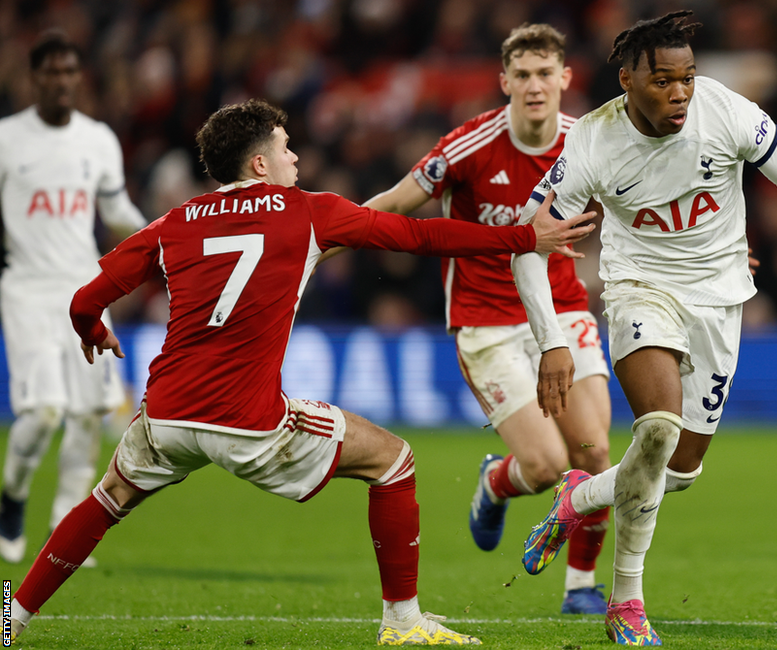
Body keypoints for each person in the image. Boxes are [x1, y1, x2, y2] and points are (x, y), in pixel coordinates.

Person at [7, 98, 594, 646]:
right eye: (286, 148)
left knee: (107, 498)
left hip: (165, 413)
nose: (295, 157)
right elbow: (420, 235)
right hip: (248, 421)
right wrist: (522, 236)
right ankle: (403, 622)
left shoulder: (174, 222)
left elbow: (85, 300)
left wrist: (95, 331)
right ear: (259, 162)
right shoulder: (310, 211)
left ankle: (12, 618)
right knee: (393, 461)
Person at [511, 11, 777, 646]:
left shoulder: (725, 111)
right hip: (640, 290)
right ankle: (627, 601)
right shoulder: (594, 142)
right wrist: (551, 340)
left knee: (676, 469)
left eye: (686, 78)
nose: (679, 93)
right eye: (662, 81)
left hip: (720, 299)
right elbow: (525, 239)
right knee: (655, 431)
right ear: (627, 79)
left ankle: (581, 495)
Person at [361, 23, 614, 614]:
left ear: (565, 79)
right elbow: (397, 204)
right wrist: (319, 241)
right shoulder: (468, 147)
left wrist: (720, 246)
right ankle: (497, 482)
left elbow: (651, 199)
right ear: (504, 81)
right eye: (521, 75)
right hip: (486, 320)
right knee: (548, 465)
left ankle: (581, 587)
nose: (533, 85)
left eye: (544, 73)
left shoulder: (591, 142)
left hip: (563, 307)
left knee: (595, 456)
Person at [0, 31, 147, 565]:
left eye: (69, 72)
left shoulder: (98, 139)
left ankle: (64, 522)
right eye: (51, 72)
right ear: (33, 78)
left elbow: (116, 213)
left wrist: (161, 234)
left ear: (79, 77)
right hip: (26, 288)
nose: (61, 81)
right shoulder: (6, 139)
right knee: (42, 412)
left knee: (88, 413)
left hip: (83, 288)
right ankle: (12, 496)